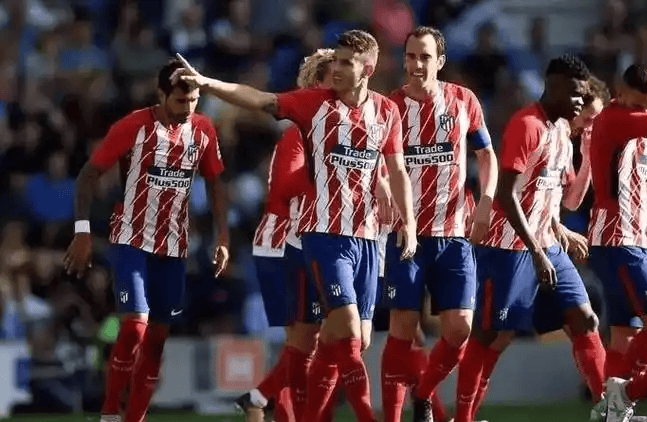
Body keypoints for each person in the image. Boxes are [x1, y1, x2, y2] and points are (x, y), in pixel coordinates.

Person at [172, 29, 417, 422]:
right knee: (338, 335)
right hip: (315, 236)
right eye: (334, 63)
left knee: (346, 341)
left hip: (367, 238)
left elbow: (397, 168)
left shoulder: (386, 111)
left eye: (346, 63)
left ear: (368, 69)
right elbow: (260, 101)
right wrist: (207, 83)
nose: (337, 69)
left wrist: (406, 217)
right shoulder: (312, 109)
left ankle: (271, 402)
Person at [63, 58, 230, 422]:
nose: (188, 109)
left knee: (156, 339)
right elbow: (88, 175)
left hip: (174, 247)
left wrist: (223, 236)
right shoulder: (133, 126)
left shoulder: (203, 130)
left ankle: (135, 417)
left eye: (194, 101)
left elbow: (216, 182)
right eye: (180, 101)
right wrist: (82, 231)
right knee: (134, 325)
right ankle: (110, 413)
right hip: (131, 238)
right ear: (161, 95)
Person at [453, 55, 607, 422]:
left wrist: (557, 229)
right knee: (493, 336)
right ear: (554, 87)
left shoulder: (562, 134)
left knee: (585, 319)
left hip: (547, 245)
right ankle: (463, 417)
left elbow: (557, 197)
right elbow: (507, 194)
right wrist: (536, 250)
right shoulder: (527, 125)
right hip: (508, 248)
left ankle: (611, 409)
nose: (579, 102)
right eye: (574, 94)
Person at [379, 26, 498, 422]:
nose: (416, 64)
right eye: (411, 56)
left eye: (425, 56)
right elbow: (377, 164)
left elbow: (487, 155)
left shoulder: (463, 100)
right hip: (406, 235)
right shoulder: (390, 107)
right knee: (402, 328)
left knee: (459, 329)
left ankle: (424, 393)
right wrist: (382, 187)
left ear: (440, 61)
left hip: (454, 233)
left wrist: (485, 201)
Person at [238, 48, 335, 422]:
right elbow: (282, 189)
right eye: (333, 79)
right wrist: (327, 174)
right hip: (282, 243)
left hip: (307, 243)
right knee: (306, 341)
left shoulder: (334, 134)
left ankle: (260, 399)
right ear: (314, 86)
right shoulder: (298, 135)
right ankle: (264, 399)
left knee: (310, 342)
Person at [585, 63, 647, 422]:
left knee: (625, 333)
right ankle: (625, 396)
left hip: (632, 242)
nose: (644, 112)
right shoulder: (616, 119)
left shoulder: (638, 126)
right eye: (638, 105)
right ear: (619, 92)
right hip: (617, 241)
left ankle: (612, 413)